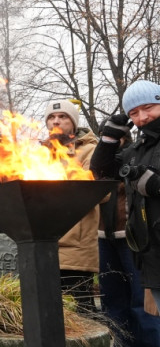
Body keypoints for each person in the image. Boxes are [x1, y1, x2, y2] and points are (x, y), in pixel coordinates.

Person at [89, 80, 160, 347]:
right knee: (117, 300)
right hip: (131, 240)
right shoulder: (136, 147)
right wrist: (110, 138)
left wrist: (146, 180)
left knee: (144, 303)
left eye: (147, 108)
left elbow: (149, 184)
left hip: (150, 243)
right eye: (134, 113)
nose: (141, 117)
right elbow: (102, 171)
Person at [44, 98, 100, 313]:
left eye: (63, 116)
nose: (56, 121)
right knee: (48, 310)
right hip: (44, 241)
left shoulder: (90, 151)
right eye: (51, 117)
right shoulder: (37, 154)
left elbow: (100, 194)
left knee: (82, 311)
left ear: (73, 122)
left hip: (76, 245)